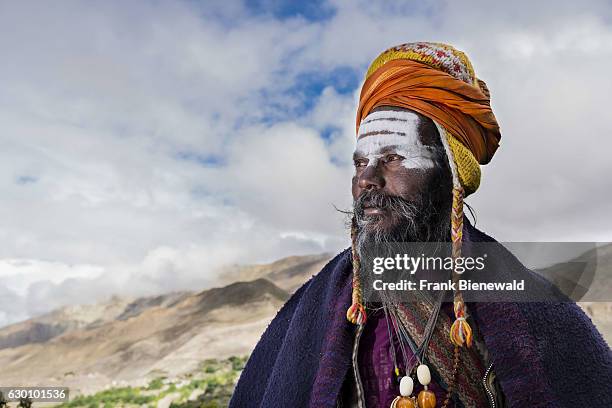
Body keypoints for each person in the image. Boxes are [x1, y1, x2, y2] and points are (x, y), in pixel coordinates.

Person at [229, 42, 612, 408]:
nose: (368, 180)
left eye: (393, 158)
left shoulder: (530, 306)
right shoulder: (316, 308)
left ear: (449, 173)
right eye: (360, 163)